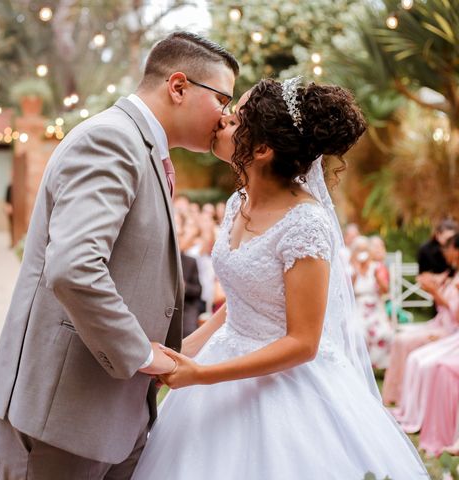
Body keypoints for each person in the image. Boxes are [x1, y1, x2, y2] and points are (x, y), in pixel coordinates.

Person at [131, 78, 428, 479]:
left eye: (235, 120)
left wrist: (202, 375)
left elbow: (303, 342)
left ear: (263, 149)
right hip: (224, 358)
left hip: (287, 389)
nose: (221, 121)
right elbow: (242, 300)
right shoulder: (238, 203)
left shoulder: (305, 223)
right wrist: (183, 351)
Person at [0, 31, 238, 480]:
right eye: (223, 99)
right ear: (178, 87)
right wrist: (144, 354)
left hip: (113, 416)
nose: (226, 116)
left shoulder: (144, 150)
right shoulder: (111, 140)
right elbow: (75, 268)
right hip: (62, 419)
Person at [382, 234, 459, 405]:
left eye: (448, 248)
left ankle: (405, 398)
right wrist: (432, 284)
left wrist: (435, 292)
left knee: (406, 344)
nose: (445, 252)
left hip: (450, 331)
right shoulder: (451, 274)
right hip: (440, 324)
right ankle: (396, 395)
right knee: (401, 339)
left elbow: (455, 314)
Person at [351, 236, 393, 369]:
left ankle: (380, 366)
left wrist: (378, 278)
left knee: (385, 332)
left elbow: (386, 290)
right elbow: (348, 293)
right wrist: (356, 272)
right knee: (358, 333)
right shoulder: (353, 270)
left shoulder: (377, 268)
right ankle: (361, 367)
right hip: (358, 309)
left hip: (376, 308)